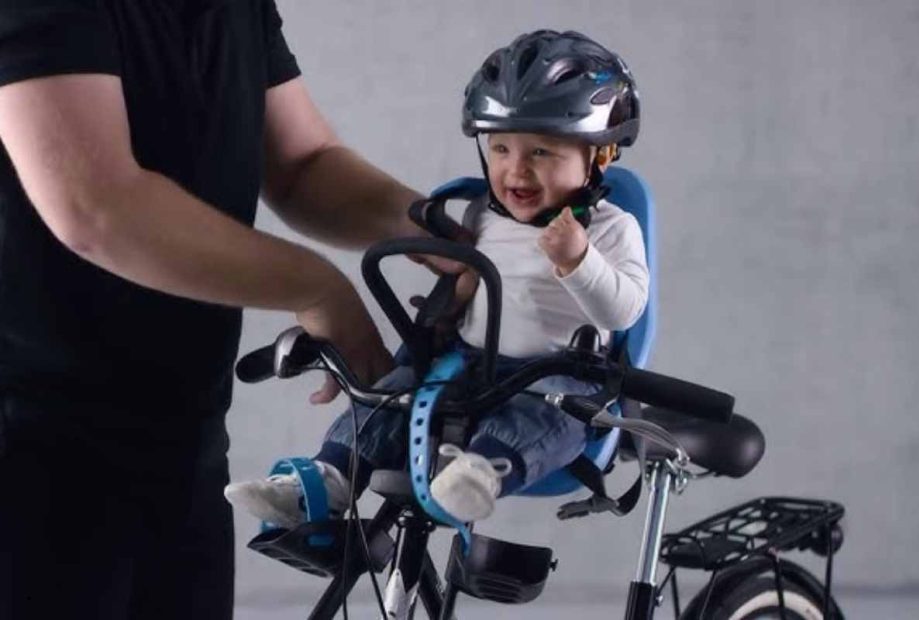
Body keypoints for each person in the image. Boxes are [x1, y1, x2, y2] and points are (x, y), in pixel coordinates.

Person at [0, 1, 438, 618]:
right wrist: (316, 287)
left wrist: (438, 228)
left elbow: (302, 163)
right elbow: (96, 205)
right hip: (32, 458)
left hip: (184, 451)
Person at [225, 29, 649, 527]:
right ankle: (326, 479)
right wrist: (448, 305)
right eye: (501, 148)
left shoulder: (609, 230)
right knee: (395, 392)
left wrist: (581, 261)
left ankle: (480, 475)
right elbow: (468, 285)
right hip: (470, 359)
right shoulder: (479, 217)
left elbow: (624, 312)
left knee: (553, 415)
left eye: (541, 153)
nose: (516, 171)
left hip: (553, 372)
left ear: (599, 156)